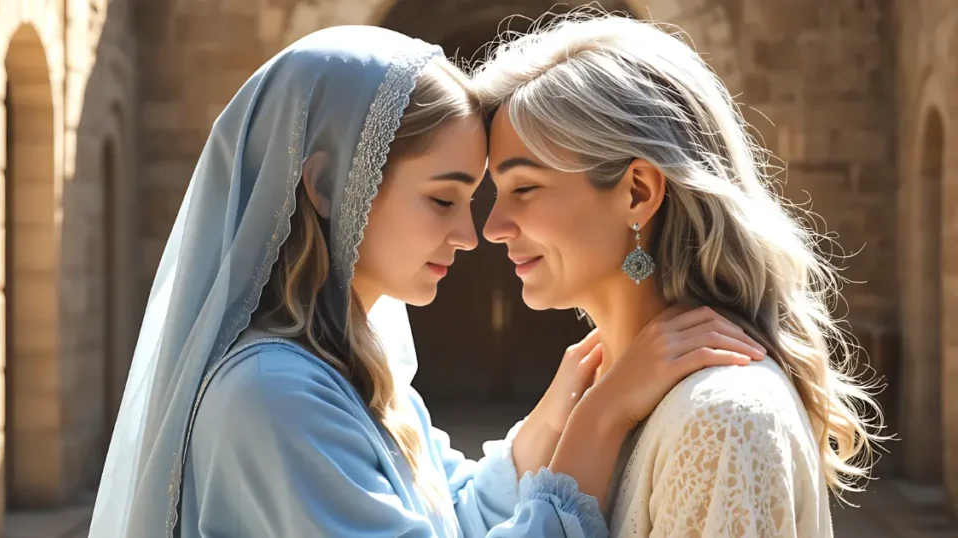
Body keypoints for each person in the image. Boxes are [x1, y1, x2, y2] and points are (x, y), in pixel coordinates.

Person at [87, 25, 764, 538]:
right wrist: (598, 420)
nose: (472, 235)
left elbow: (455, 516)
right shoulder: (270, 397)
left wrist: (556, 413)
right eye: (444, 200)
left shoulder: (348, 368)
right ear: (326, 185)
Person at [473, 13, 886, 537]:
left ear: (638, 192)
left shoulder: (723, 419)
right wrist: (594, 418)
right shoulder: (592, 395)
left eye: (524, 189)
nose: (492, 227)